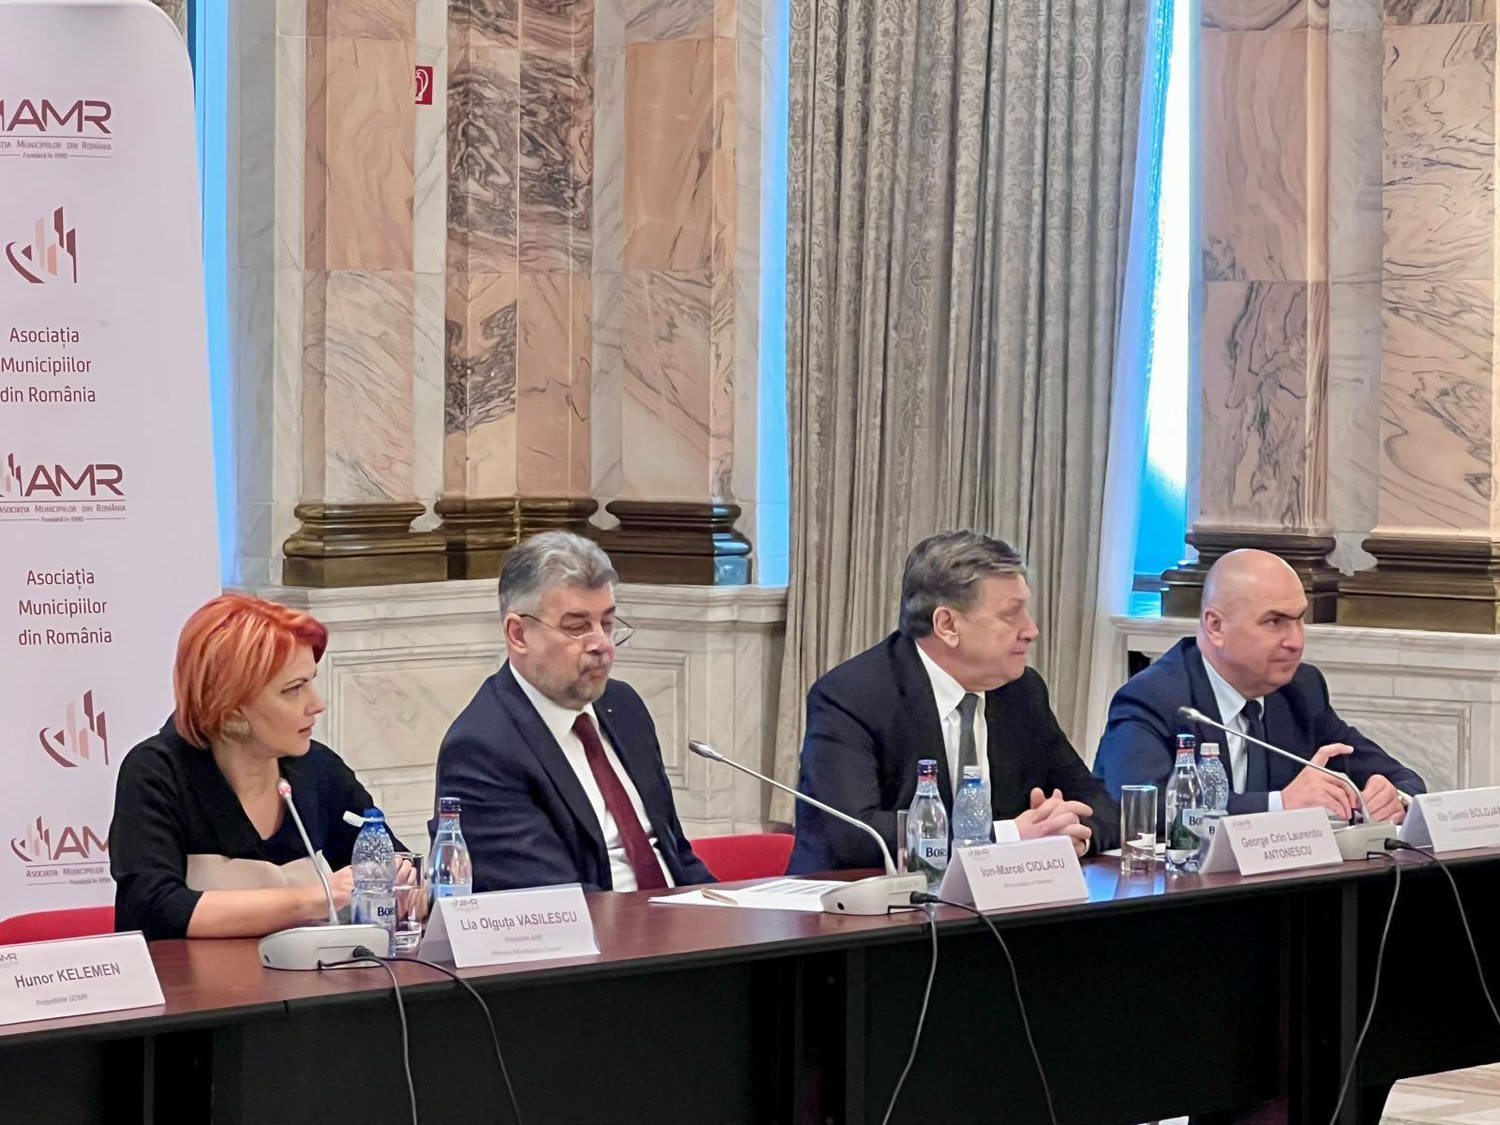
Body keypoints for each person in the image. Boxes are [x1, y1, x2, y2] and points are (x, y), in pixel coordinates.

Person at [787, 531, 1120, 875]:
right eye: (1011, 615)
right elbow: (855, 836)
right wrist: (1008, 838)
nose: (1031, 630)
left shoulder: (1022, 692)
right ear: (947, 625)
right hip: (854, 900)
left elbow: (1099, 805)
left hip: (989, 900)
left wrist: (1070, 836)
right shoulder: (853, 696)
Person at [432, 531, 713, 893]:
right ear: (518, 634)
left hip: (677, 919)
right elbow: (556, 902)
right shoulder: (482, 749)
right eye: (577, 628)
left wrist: (735, 912)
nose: (602, 645)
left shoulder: (623, 706)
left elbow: (677, 855)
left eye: (607, 623)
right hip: (603, 925)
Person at [110, 595, 402, 940]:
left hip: (311, 974)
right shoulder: (157, 772)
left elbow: (390, 864)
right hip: (192, 976)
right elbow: (152, 909)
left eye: (311, 681)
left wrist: (403, 883)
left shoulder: (318, 768)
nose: (317, 704)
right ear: (230, 706)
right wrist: (315, 899)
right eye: (294, 689)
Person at [1094, 549, 1425, 822]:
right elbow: (1140, 807)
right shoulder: (1155, 697)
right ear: (1215, 626)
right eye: (1274, 621)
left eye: (1299, 619)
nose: (1295, 641)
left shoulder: (1301, 689)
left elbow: (1402, 778)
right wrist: (1280, 804)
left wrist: (1393, 798)